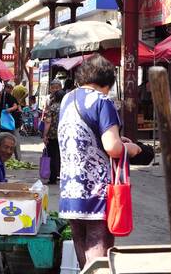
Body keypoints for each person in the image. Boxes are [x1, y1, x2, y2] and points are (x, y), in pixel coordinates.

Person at [57, 54, 141, 269]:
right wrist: (130, 149)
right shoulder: (101, 101)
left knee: (81, 245)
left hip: (70, 189)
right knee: (98, 250)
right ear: (108, 83)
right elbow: (112, 147)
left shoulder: (68, 99)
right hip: (96, 191)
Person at [0, 80, 22, 160]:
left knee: (15, 141)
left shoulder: (8, 96)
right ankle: (2, 158)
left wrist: (9, 110)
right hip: (2, 124)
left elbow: (15, 106)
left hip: (12, 123)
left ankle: (18, 159)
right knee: (2, 141)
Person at [43, 90, 66, 185]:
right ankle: (62, 175)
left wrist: (45, 135)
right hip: (64, 135)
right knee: (62, 156)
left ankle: (53, 178)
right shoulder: (67, 108)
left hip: (53, 135)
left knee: (53, 156)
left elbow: (48, 122)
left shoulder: (52, 108)